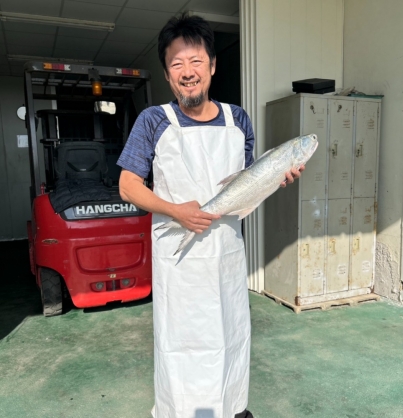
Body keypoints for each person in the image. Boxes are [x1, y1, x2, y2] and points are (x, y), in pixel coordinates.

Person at [117, 13, 303, 418]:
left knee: (229, 337)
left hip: (225, 260)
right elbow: (128, 186)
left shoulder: (238, 120)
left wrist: (277, 179)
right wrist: (175, 211)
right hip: (179, 266)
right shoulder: (153, 121)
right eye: (177, 64)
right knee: (180, 345)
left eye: (196, 61)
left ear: (213, 66)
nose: (188, 72)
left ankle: (232, 409)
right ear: (167, 73)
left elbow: (247, 184)